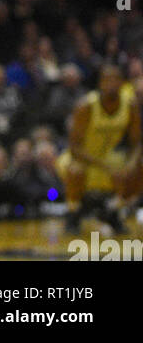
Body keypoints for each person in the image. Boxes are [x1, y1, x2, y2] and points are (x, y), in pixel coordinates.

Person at [57, 63, 142, 234]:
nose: (112, 83)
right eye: (107, 80)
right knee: (75, 170)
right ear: (100, 84)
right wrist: (108, 168)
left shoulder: (130, 105)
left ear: (122, 83)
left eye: (116, 79)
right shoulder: (85, 106)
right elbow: (74, 149)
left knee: (138, 168)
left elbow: (136, 143)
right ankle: (73, 214)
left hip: (107, 157)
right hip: (80, 158)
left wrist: (131, 164)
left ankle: (112, 211)